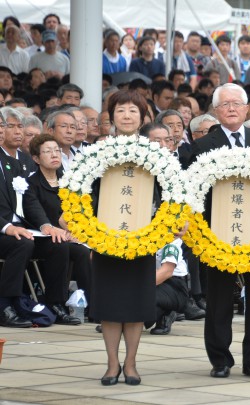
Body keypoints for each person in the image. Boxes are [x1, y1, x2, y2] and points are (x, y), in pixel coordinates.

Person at [187, 83, 250, 379]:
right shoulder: (203, 146)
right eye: (224, 104)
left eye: (236, 103)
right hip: (217, 234)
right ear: (215, 111)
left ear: (246, 109)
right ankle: (220, 359)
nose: (231, 108)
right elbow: (192, 192)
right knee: (218, 298)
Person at [87, 90, 166, 386]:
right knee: (110, 304)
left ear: (143, 116)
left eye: (134, 110)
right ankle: (111, 364)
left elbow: (164, 192)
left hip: (141, 237)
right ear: (112, 116)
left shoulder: (154, 153)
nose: (127, 115)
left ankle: (131, 364)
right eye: (121, 110)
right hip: (106, 236)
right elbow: (85, 192)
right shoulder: (96, 152)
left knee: (135, 304)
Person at [0, 113, 78, 328]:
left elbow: (29, 201)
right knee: (21, 243)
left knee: (57, 244)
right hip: (5, 229)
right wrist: (6, 226)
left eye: (19, 126)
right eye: (9, 126)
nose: (17, 131)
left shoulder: (20, 160)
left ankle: (55, 303)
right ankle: (7, 304)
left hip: (23, 227)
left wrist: (46, 226)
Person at [23, 134, 93, 306]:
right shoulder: (31, 184)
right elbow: (34, 211)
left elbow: (78, 212)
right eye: (47, 151)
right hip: (41, 237)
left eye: (56, 150)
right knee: (60, 247)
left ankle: (94, 306)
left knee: (83, 252)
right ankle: (56, 303)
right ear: (36, 158)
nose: (54, 155)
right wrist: (52, 228)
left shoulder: (68, 181)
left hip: (66, 236)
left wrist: (76, 232)